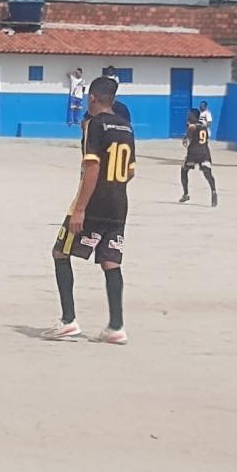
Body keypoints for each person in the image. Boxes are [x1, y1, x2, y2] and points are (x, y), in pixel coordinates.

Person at [43, 76, 135, 345]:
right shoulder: (126, 128)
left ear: (92, 98)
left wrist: (81, 209)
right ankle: (116, 326)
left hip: (94, 203)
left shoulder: (95, 124)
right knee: (111, 262)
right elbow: (130, 171)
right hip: (119, 204)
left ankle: (68, 321)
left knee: (60, 252)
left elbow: (93, 167)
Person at [179, 108, 217, 207]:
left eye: (190, 115)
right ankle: (213, 191)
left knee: (184, 170)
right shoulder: (204, 127)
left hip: (193, 154)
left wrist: (186, 139)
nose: (188, 116)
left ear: (193, 116)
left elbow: (186, 142)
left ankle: (186, 194)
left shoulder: (192, 127)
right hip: (205, 153)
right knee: (208, 174)